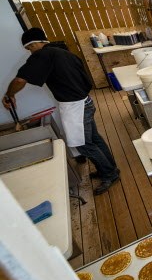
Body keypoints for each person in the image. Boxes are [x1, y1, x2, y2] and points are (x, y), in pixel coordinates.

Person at [3, 28, 119, 195]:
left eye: (29, 48)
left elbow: (20, 79)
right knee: (94, 139)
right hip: (85, 101)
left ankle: (109, 173)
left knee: (83, 144)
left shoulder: (42, 55)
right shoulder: (63, 52)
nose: (30, 52)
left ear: (34, 44)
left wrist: (9, 94)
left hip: (75, 107)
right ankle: (109, 168)